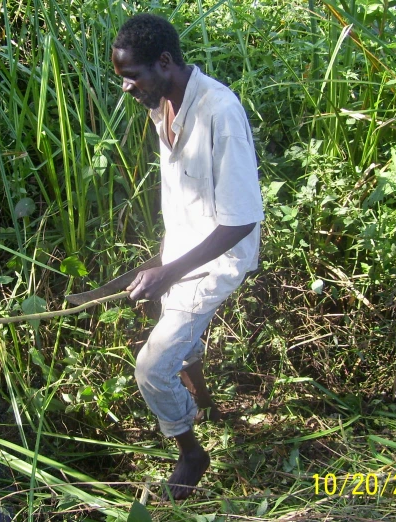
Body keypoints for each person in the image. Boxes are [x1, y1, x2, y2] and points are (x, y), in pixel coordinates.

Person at [111, 14, 265, 500]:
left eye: (131, 75)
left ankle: (192, 454)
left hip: (215, 260)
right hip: (180, 251)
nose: (126, 87)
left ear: (164, 61)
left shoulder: (219, 111)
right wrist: (165, 263)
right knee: (183, 336)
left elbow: (242, 219)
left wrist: (171, 272)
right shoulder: (162, 104)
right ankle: (205, 399)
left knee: (153, 367)